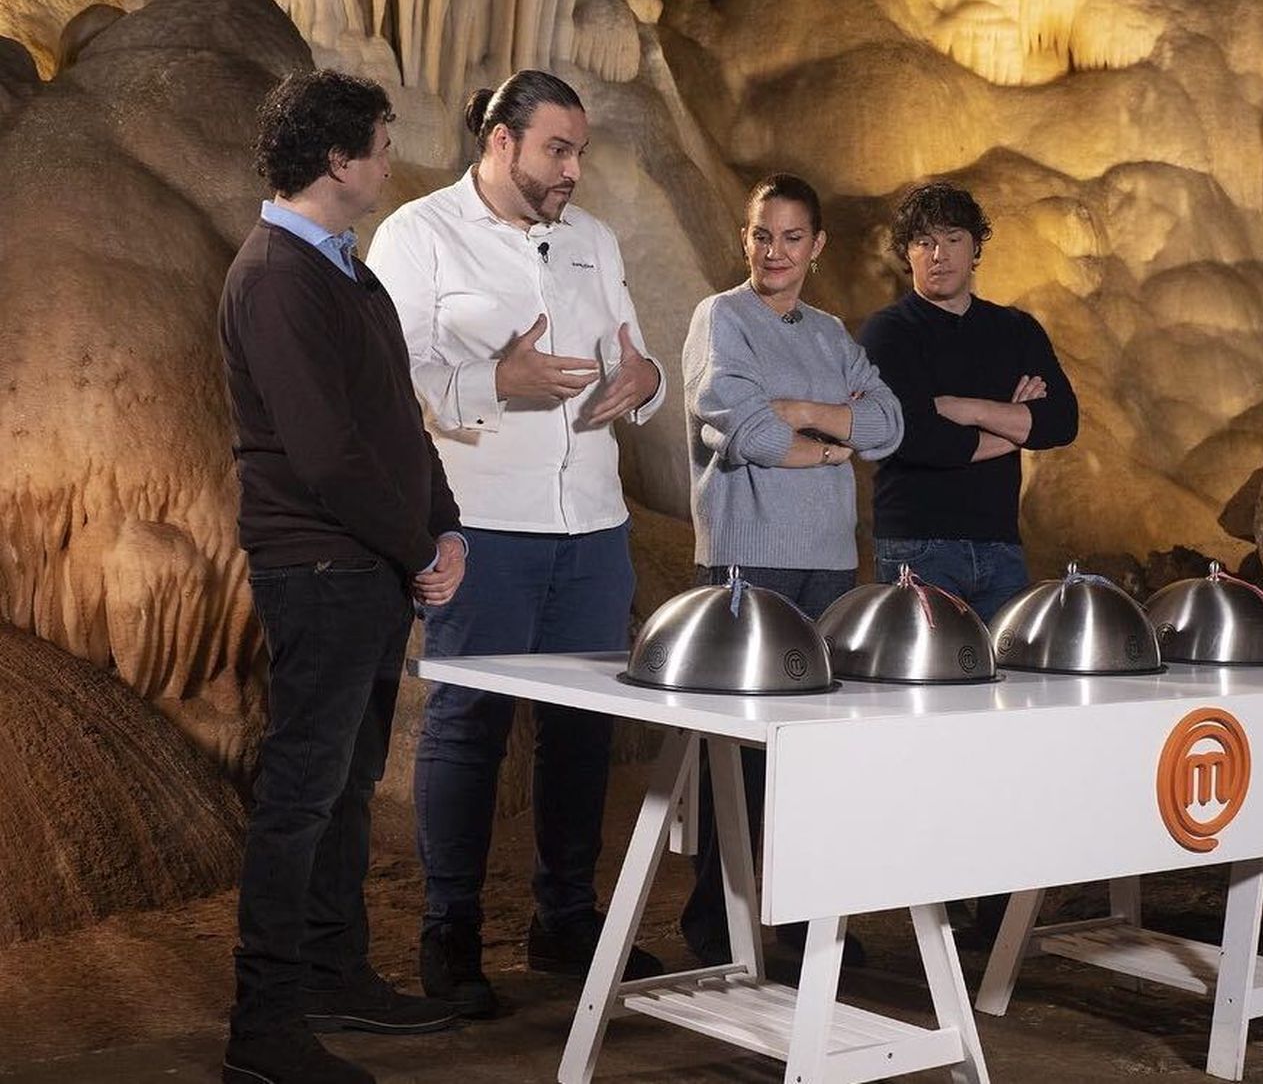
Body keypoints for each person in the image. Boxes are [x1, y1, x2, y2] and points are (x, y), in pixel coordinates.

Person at [366, 69, 667, 1018]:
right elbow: (389, 378)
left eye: (579, 152)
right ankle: (449, 931)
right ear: (501, 141)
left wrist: (647, 383)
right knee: (468, 724)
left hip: (594, 525)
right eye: (556, 150)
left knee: (584, 728)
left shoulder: (594, 241)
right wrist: (497, 381)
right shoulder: (418, 234)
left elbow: (635, 358)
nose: (573, 169)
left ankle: (565, 921)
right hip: (484, 522)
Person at [219, 69, 465, 1084]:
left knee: (346, 786)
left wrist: (446, 526)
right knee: (299, 796)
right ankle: (264, 1028)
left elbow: (398, 419)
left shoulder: (344, 272)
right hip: (319, 567)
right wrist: (418, 549)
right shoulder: (278, 276)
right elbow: (325, 455)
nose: (389, 161)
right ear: (337, 160)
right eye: (380, 144)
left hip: (365, 566)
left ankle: (332, 969)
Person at [679, 172, 903, 966]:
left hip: (827, 565)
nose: (775, 251)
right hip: (749, 560)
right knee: (736, 759)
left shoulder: (832, 333)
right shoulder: (722, 317)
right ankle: (716, 923)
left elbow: (887, 422)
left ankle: (804, 919)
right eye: (762, 235)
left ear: (817, 246)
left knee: (812, 758)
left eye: (792, 237)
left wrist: (803, 412)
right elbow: (743, 425)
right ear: (746, 239)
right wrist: (829, 447)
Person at [859, 180, 1078, 945]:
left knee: (1001, 726)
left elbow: (1061, 421)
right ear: (907, 254)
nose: (938, 254)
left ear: (976, 247)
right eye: (923, 242)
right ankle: (932, 895)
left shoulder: (1014, 328)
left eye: (952, 239)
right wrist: (1012, 420)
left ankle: (991, 897)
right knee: (927, 726)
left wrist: (969, 409)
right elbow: (909, 437)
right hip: (918, 548)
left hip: (999, 548)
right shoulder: (889, 333)